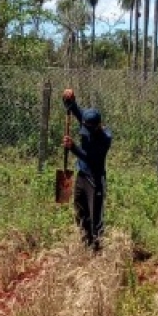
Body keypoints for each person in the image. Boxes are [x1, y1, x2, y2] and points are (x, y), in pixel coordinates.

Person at [62, 88, 112, 250]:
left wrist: (73, 148)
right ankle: (85, 245)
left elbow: (91, 158)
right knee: (80, 213)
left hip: (95, 180)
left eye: (89, 129)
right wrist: (69, 99)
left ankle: (97, 250)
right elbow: (74, 109)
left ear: (97, 126)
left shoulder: (105, 138)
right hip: (81, 177)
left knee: (95, 218)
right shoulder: (86, 119)